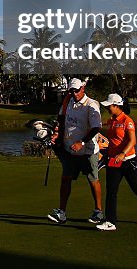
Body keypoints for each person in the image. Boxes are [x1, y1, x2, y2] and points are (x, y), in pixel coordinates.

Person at [95, 93, 137, 231]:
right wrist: (107, 154)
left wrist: (122, 153)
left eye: (109, 106)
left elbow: (133, 141)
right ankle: (110, 221)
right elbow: (112, 142)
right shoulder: (111, 121)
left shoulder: (127, 120)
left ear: (116, 105)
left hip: (129, 161)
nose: (107, 108)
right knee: (111, 191)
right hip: (114, 161)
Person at [47, 78, 105, 225]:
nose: (74, 93)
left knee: (93, 180)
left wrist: (82, 142)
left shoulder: (91, 104)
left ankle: (98, 211)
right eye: (71, 90)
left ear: (83, 88)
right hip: (70, 150)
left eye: (77, 90)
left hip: (88, 151)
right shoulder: (69, 103)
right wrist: (57, 134)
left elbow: (96, 127)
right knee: (65, 179)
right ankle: (62, 213)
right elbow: (61, 120)